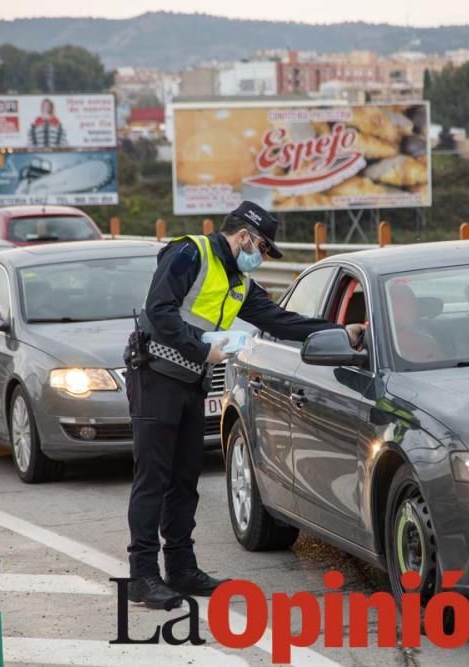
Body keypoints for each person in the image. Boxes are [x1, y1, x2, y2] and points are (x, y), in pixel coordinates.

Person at [124, 201, 366, 609]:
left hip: (189, 383)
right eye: (263, 248)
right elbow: (159, 310)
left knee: (185, 480)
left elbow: (280, 321)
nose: (262, 257)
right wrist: (202, 349)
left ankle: (181, 567)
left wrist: (341, 330)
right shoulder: (189, 252)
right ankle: (143, 576)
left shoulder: (239, 281)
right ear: (244, 237)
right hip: (155, 377)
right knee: (153, 480)